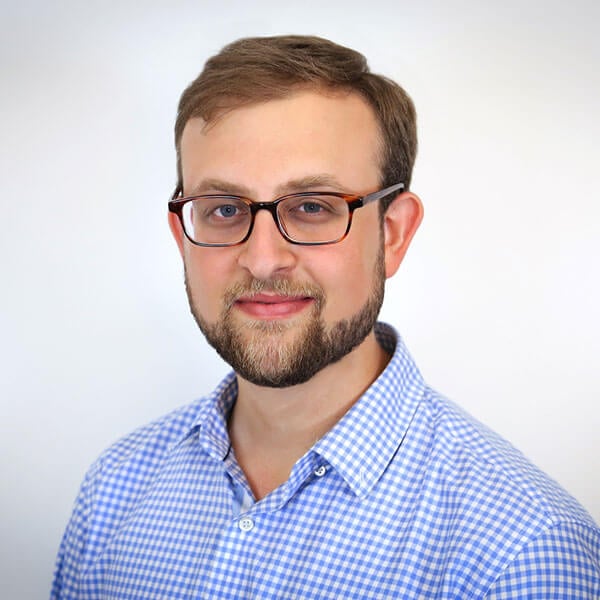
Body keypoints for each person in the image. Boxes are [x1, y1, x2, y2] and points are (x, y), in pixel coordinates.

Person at [51, 35, 600, 599]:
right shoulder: (114, 491)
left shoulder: (525, 553)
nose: (263, 259)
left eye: (312, 206)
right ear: (182, 237)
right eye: (223, 209)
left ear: (393, 233)